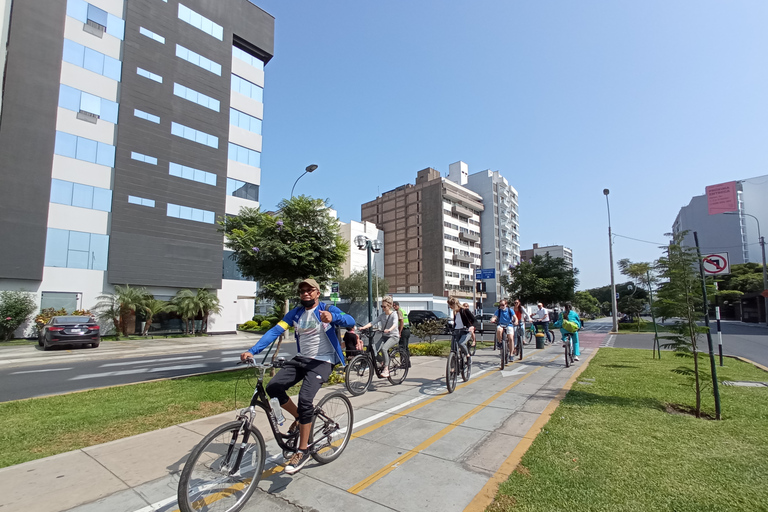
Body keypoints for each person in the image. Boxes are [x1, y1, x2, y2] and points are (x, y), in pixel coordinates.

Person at [240, 278, 355, 475]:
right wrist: (253, 350)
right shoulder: (296, 313)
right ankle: (300, 417)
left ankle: (303, 450)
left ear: (317, 293)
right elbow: (275, 331)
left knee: (305, 399)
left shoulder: (328, 309)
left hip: (323, 361)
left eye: (310, 290)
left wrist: (333, 318)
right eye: (302, 291)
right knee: (273, 387)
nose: (305, 293)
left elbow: (350, 321)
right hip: (302, 359)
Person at [359, 295, 399, 378]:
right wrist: (363, 327)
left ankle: (386, 369)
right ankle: (382, 362)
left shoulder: (394, 314)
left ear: (390, 306)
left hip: (393, 336)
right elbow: (373, 322)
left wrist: (389, 329)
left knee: (384, 348)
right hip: (385, 336)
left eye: (384, 306)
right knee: (374, 350)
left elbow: (395, 324)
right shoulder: (382, 315)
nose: (383, 308)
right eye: (382, 306)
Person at [448, 298, 475, 364]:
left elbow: (474, 320)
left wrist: (472, 327)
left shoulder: (465, 311)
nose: (450, 307)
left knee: (461, 343)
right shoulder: (455, 312)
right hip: (457, 331)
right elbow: (456, 323)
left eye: (451, 306)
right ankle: (453, 367)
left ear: (455, 305)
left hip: (465, 331)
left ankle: (467, 355)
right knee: (453, 349)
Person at [393, 301, 411, 368]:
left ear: (397, 305)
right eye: (393, 306)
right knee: (406, 348)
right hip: (407, 330)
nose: (394, 307)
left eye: (394, 306)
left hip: (403, 330)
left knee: (402, 348)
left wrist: (399, 332)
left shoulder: (399, 311)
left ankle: (404, 363)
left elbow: (401, 321)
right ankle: (407, 363)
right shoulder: (403, 310)